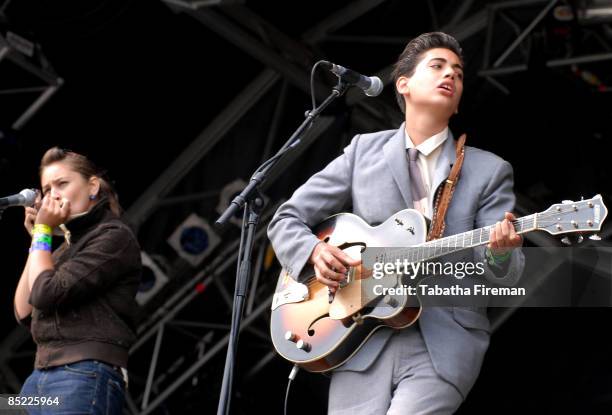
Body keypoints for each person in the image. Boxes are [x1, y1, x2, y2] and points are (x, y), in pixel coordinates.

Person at [268, 32, 525, 414]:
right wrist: (314, 252)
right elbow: (287, 218)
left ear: (457, 104)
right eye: (437, 66)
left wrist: (501, 255)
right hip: (357, 342)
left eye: (457, 72)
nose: (450, 76)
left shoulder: (490, 171)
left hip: (442, 344)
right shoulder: (363, 152)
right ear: (403, 84)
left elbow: (506, 273)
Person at [13, 147, 142, 414]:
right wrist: (37, 240)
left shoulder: (113, 236)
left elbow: (45, 294)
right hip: (37, 378)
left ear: (92, 186)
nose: (53, 195)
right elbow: (23, 311)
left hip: (84, 373)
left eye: (62, 183)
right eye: (47, 190)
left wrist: (43, 232)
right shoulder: (58, 249)